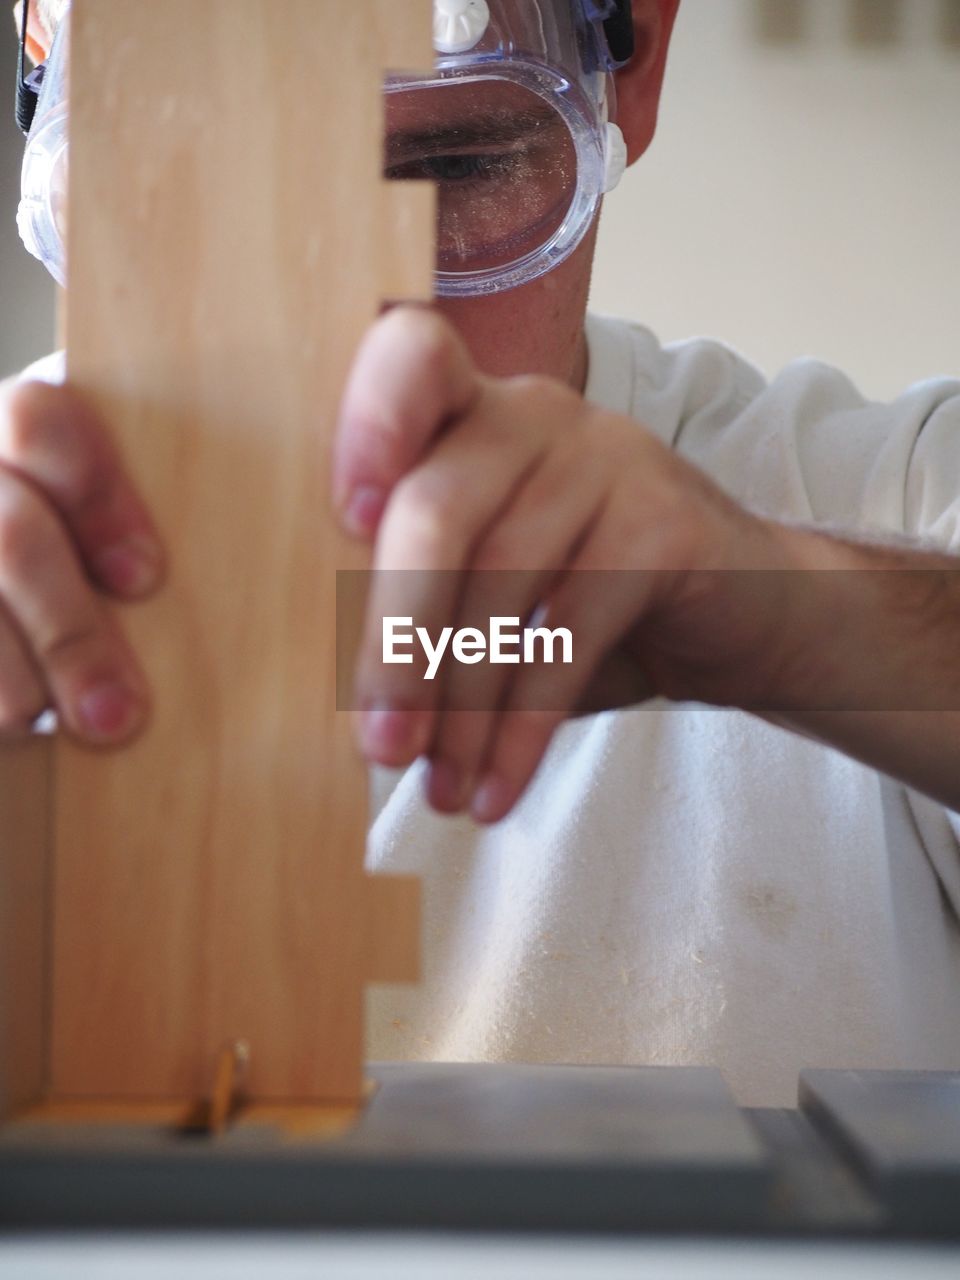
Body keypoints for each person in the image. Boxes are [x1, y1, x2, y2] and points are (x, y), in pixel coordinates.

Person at [4, 0, 960, 1106]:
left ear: (632, 62)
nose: (364, 338)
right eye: (202, 177)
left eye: (454, 168)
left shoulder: (885, 496)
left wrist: (786, 611)